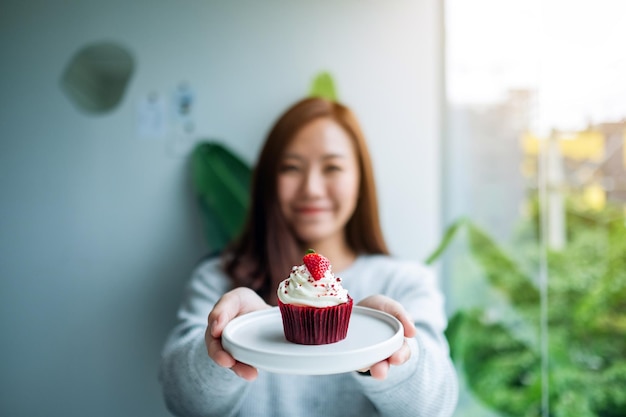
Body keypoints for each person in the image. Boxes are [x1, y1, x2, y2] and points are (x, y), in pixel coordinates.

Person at [159, 97, 458, 417]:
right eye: (290, 168)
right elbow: (181, 401)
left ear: (360, 180)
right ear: (268, 183)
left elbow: (435, 407)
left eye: (332, 167)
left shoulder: (404, 282)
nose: (312, 188)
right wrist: (225, 343)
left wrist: (391, 349)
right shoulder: (218, 279)